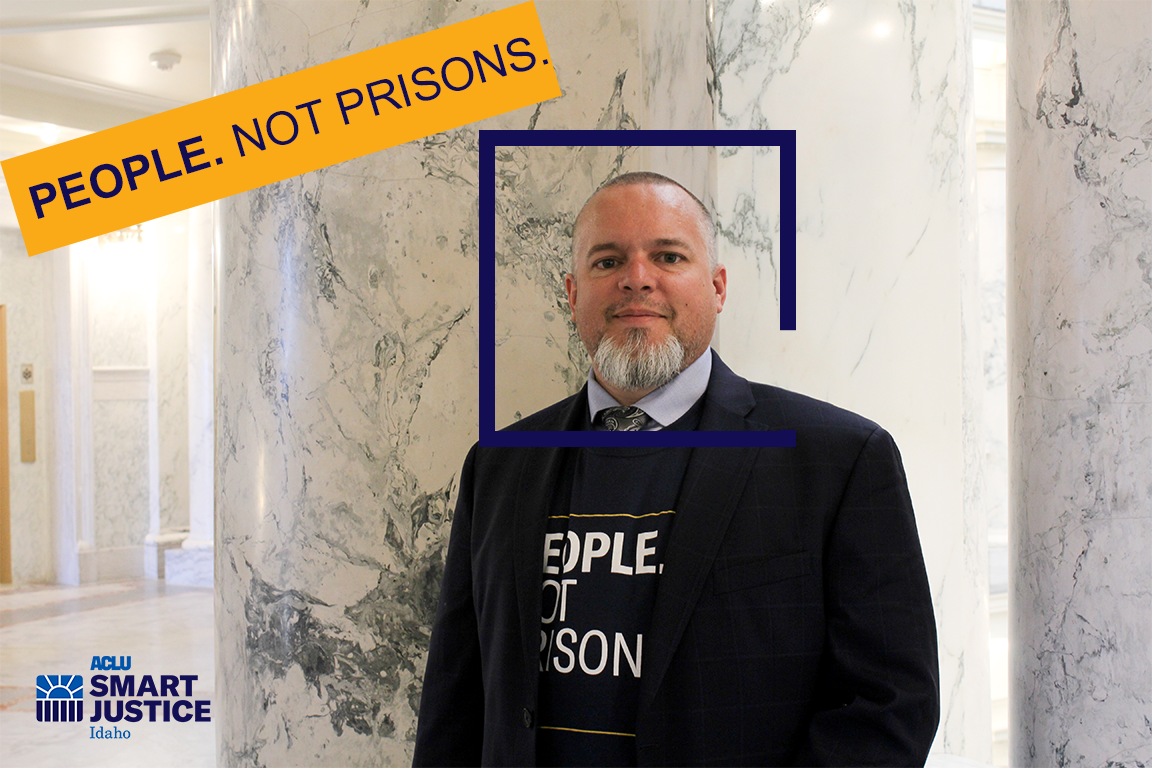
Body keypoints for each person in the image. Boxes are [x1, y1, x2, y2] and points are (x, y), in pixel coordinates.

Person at [413, 172, 939, 766]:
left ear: (717, 287)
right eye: (608, 261)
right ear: (572, 293)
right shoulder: (499, 465)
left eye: (667, 255)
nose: (637, 278)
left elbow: (891, 704)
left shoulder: (839, 460)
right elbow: (454, 705)